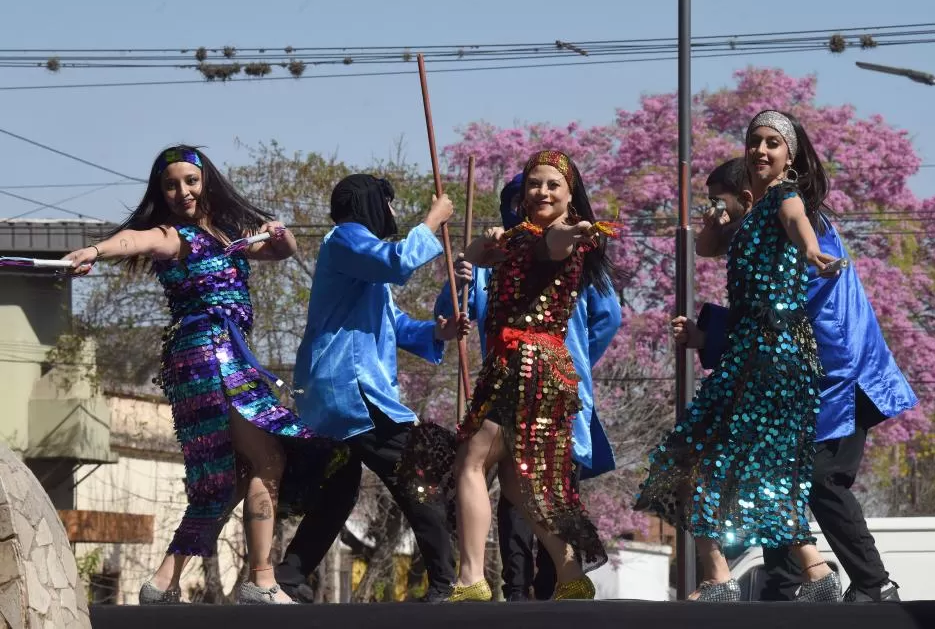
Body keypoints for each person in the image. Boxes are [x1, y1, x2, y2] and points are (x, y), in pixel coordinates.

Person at [64, 145, 320, 605]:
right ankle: (261, 580)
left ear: (206, 183)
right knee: (268, 459)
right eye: (170, 184)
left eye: (190, 181)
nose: (181, 191)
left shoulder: (226, 237)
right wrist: (96, 250)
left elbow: (283, 250)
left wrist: (276, 231)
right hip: (208, 356)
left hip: (220, 357)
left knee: (235, 476)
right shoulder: (171, 235)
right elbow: (133, 241)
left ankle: (163, 580)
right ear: (161, 193)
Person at [673, 157, 917, 603]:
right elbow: (744, 297)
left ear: (749, 198)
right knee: (775, 473)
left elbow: (783, 307)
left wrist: (714, 335)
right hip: (794, 377)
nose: (715, 211)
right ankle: (786, 588)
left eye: (719, 201)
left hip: (841, 375)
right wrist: (708, 335)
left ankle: (872, 583)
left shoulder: (794, 220)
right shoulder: (757, 242)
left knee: (821, 476)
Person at [634, 111, 844, 602]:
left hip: (775, 355)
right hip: (748, 353)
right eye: (755, 141)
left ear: (789, 156)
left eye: (773, 143)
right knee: (700, 461)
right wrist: (717, 218)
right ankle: (813, 575)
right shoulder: (752, 214)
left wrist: (812, 251)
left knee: (702, 460)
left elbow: (797, 222)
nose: (762, 150)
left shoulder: (784, 198)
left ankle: (723, 578)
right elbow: (706, 247)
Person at [274, 174, 465, 603]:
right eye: (389, 204)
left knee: (337, 489)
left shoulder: (360, 259)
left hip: (334, 396)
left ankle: (290, 574)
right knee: (421, 477)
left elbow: (394, 324)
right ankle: (444, 583)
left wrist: (439, 333)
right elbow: (397, 262)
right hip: (350, 390)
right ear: (369, 205)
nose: (394, 213)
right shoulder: (347, 239)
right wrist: (433, 221)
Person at [434, 174, 622, 601]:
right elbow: (472, 255)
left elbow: (561, 242)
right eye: (534, 185)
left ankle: (471, 579)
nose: (542, 191)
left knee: (471, 460)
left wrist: (574, 230)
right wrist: (485, 249)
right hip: (523, 365)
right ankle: (572, 575)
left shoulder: (559, 234)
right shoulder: (521, 239)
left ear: (570, 196)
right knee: (521, 483)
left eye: (554, 185)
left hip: (526, 365)